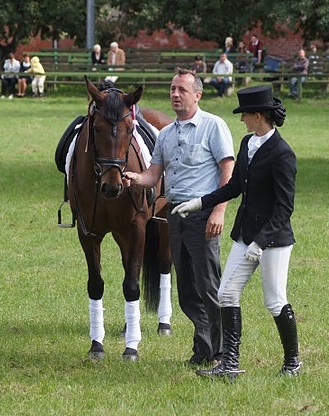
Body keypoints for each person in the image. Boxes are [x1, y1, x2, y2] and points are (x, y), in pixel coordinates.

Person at [172, 85, 301, 379]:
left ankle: (292, 362)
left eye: (245, 114)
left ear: (258, 116)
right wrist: (199, 202)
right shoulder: (247, 143)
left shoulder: (282, 154)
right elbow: (234, 187)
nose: (241, 119)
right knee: (227, 293)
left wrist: (261, 242)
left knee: (274, 300)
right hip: (246, 233)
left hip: (274, 239)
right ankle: (229, 364)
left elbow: (284, 208)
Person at [123, 68, 235, 367]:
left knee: (208, 285)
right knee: (186, 290)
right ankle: (204, 348)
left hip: (203, 214)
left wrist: (219, 210)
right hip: (174, 215)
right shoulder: (166, 134)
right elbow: (153, 175)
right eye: (172, 89)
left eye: (182, 90)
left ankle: (223, 354)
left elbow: (228, 170)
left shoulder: (213, 126)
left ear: (197, 95)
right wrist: (135, 177)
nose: (175, 94)